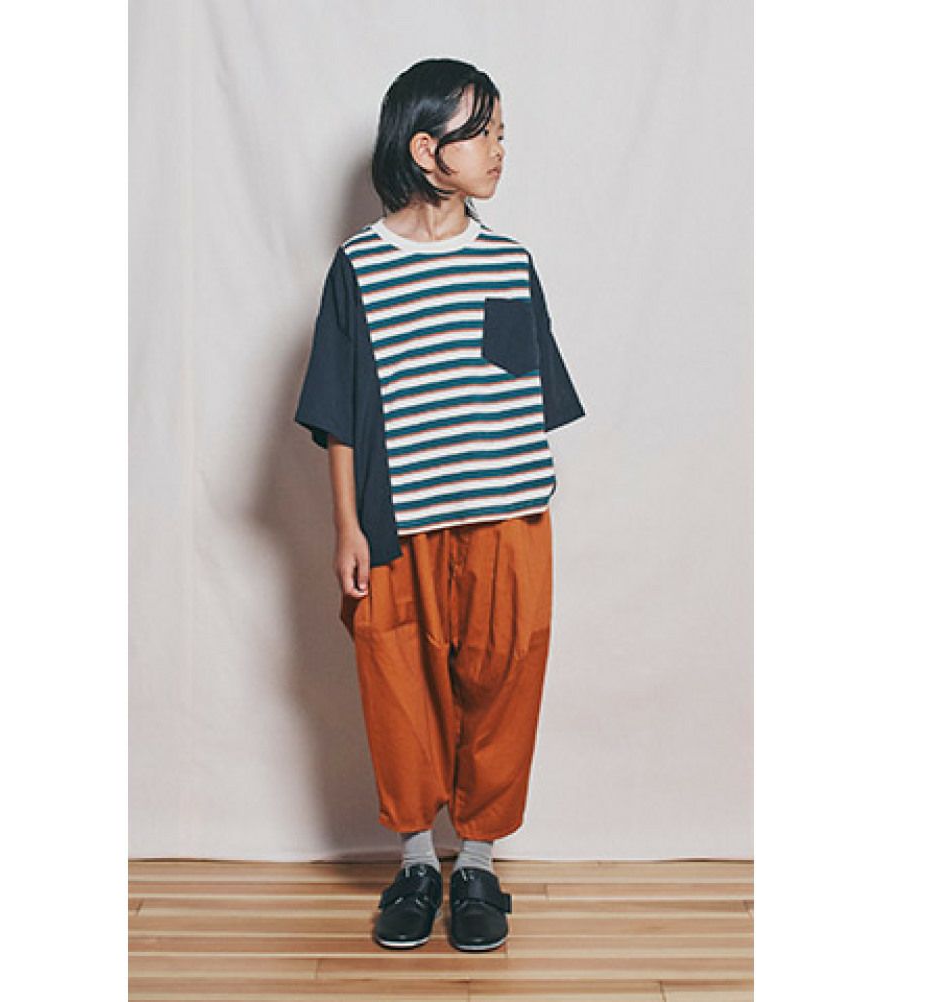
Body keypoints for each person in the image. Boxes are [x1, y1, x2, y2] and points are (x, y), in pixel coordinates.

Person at [293, 58, 585, 952]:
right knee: (398, 688)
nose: (499, 149)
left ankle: (480, 866)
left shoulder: (509, 261)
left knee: (503, 683)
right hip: (397, 526)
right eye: (481, 133)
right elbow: (338, 410)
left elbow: (527, 398)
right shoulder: (359, 268)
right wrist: (346, 526)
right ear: (426, 150)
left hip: (507, 519)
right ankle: (419, 864)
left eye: (500, 133)